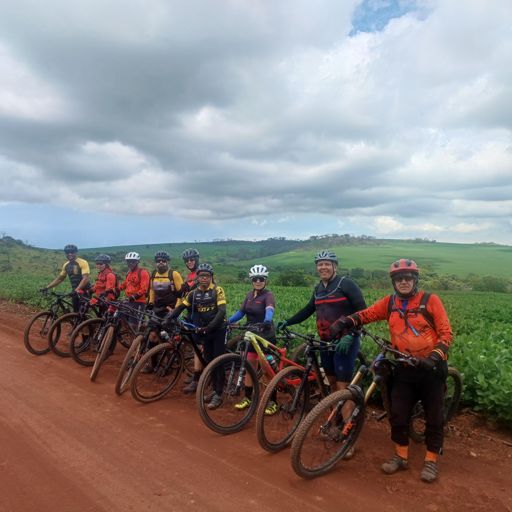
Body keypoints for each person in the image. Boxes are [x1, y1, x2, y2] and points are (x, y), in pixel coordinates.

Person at [330, 259, 453, 483]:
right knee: (398, 414)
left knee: (434, 417)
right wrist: (346, 321)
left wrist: (433, 358)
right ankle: (401, 457)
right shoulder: (390, 303)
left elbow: (446, 334)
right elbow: (367, 314)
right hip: (403, 367)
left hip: (431, 369)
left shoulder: (430, 300)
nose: (403, 282)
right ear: (394, 282)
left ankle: (431, 460)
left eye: (408, 278)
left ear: (415, 280)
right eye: (398, 279)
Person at [276, 250, 366, 394]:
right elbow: (308, 309)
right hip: (325, 342)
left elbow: (363, 312)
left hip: (345, 341)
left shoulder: (346, 284)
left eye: (327, 264)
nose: (323, 267)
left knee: (343, 387)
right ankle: (335, 409)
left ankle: (349, 408)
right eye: (320, 264)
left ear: (335, 266)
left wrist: (352, 334)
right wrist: (288, 322)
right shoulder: (318, 289)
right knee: (332, 383)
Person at [164, 263, 227, 409]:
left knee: (218, 361)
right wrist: (169, 318)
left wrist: (210, 327)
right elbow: (181, 307)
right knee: (209, 360)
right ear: (197, 277)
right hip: (204, 330)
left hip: (218, 329)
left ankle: (219, 394)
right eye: (201, 276)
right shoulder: (193, 293)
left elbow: (221, 311)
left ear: (211, 277)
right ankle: (214, 390)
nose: (204, 278)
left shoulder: (217, 290)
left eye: (207, 276)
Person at [228, 264, 277, 414]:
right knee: (249, 367)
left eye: (261, 279)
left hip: (265, 334)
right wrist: (228, 321)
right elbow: (241, 312)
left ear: (265, 280)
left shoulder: (268, 295)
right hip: (251, 333)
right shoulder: (249, 295)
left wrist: (267, 321)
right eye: (255, 279)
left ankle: (273, 401)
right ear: (252, 280)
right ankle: (248, 397)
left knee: (266, 369)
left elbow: (269, 309)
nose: (258, 281)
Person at [43, 244, 91, 312]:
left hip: (85, 290)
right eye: (68, 252)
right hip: (75, 290)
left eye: (72, 252)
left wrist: (76, 290)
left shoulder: (83, 262)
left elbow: (85, 278)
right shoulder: (66, 265)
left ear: (76, 253)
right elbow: (60, 278)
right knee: (75, 311)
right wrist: (47, 287)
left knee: (82, 313)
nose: (70, 254)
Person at [118, 252, 150, 328]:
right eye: (128, 261)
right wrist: (113, 290)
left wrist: (133, 297)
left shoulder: (143, 272)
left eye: (133, 261)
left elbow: (144, 289)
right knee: (120, 319)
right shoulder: (129, 273)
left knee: (133, 325)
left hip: (139, 302)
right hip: (128, 301)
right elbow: (123, 285)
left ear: (137, 262)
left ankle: (138, 334)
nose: (130, 263)